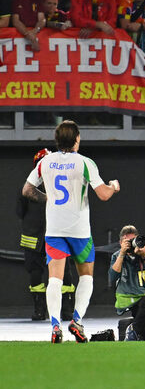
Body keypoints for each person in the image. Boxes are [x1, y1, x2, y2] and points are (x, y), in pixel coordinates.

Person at [22, 120, 120, 343]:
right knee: (86, 276)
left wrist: (49, 199)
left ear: (57, 140)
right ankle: (77, 321)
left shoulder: (45, 162)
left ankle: (55, 325)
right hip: (79, 230)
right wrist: (113, 186)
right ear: (76, 139)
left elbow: (27, 190)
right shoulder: (84, 162)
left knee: (54, 279)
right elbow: (103, 194)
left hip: (55, 228)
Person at [17, 148, 75, 322]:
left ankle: (59, 311)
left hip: (53, 236)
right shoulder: (32, 187)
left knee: (63, 274)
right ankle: (48, 311)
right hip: (37, 238)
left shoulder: (57, 185)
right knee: (41, 274)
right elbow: (20, 211)